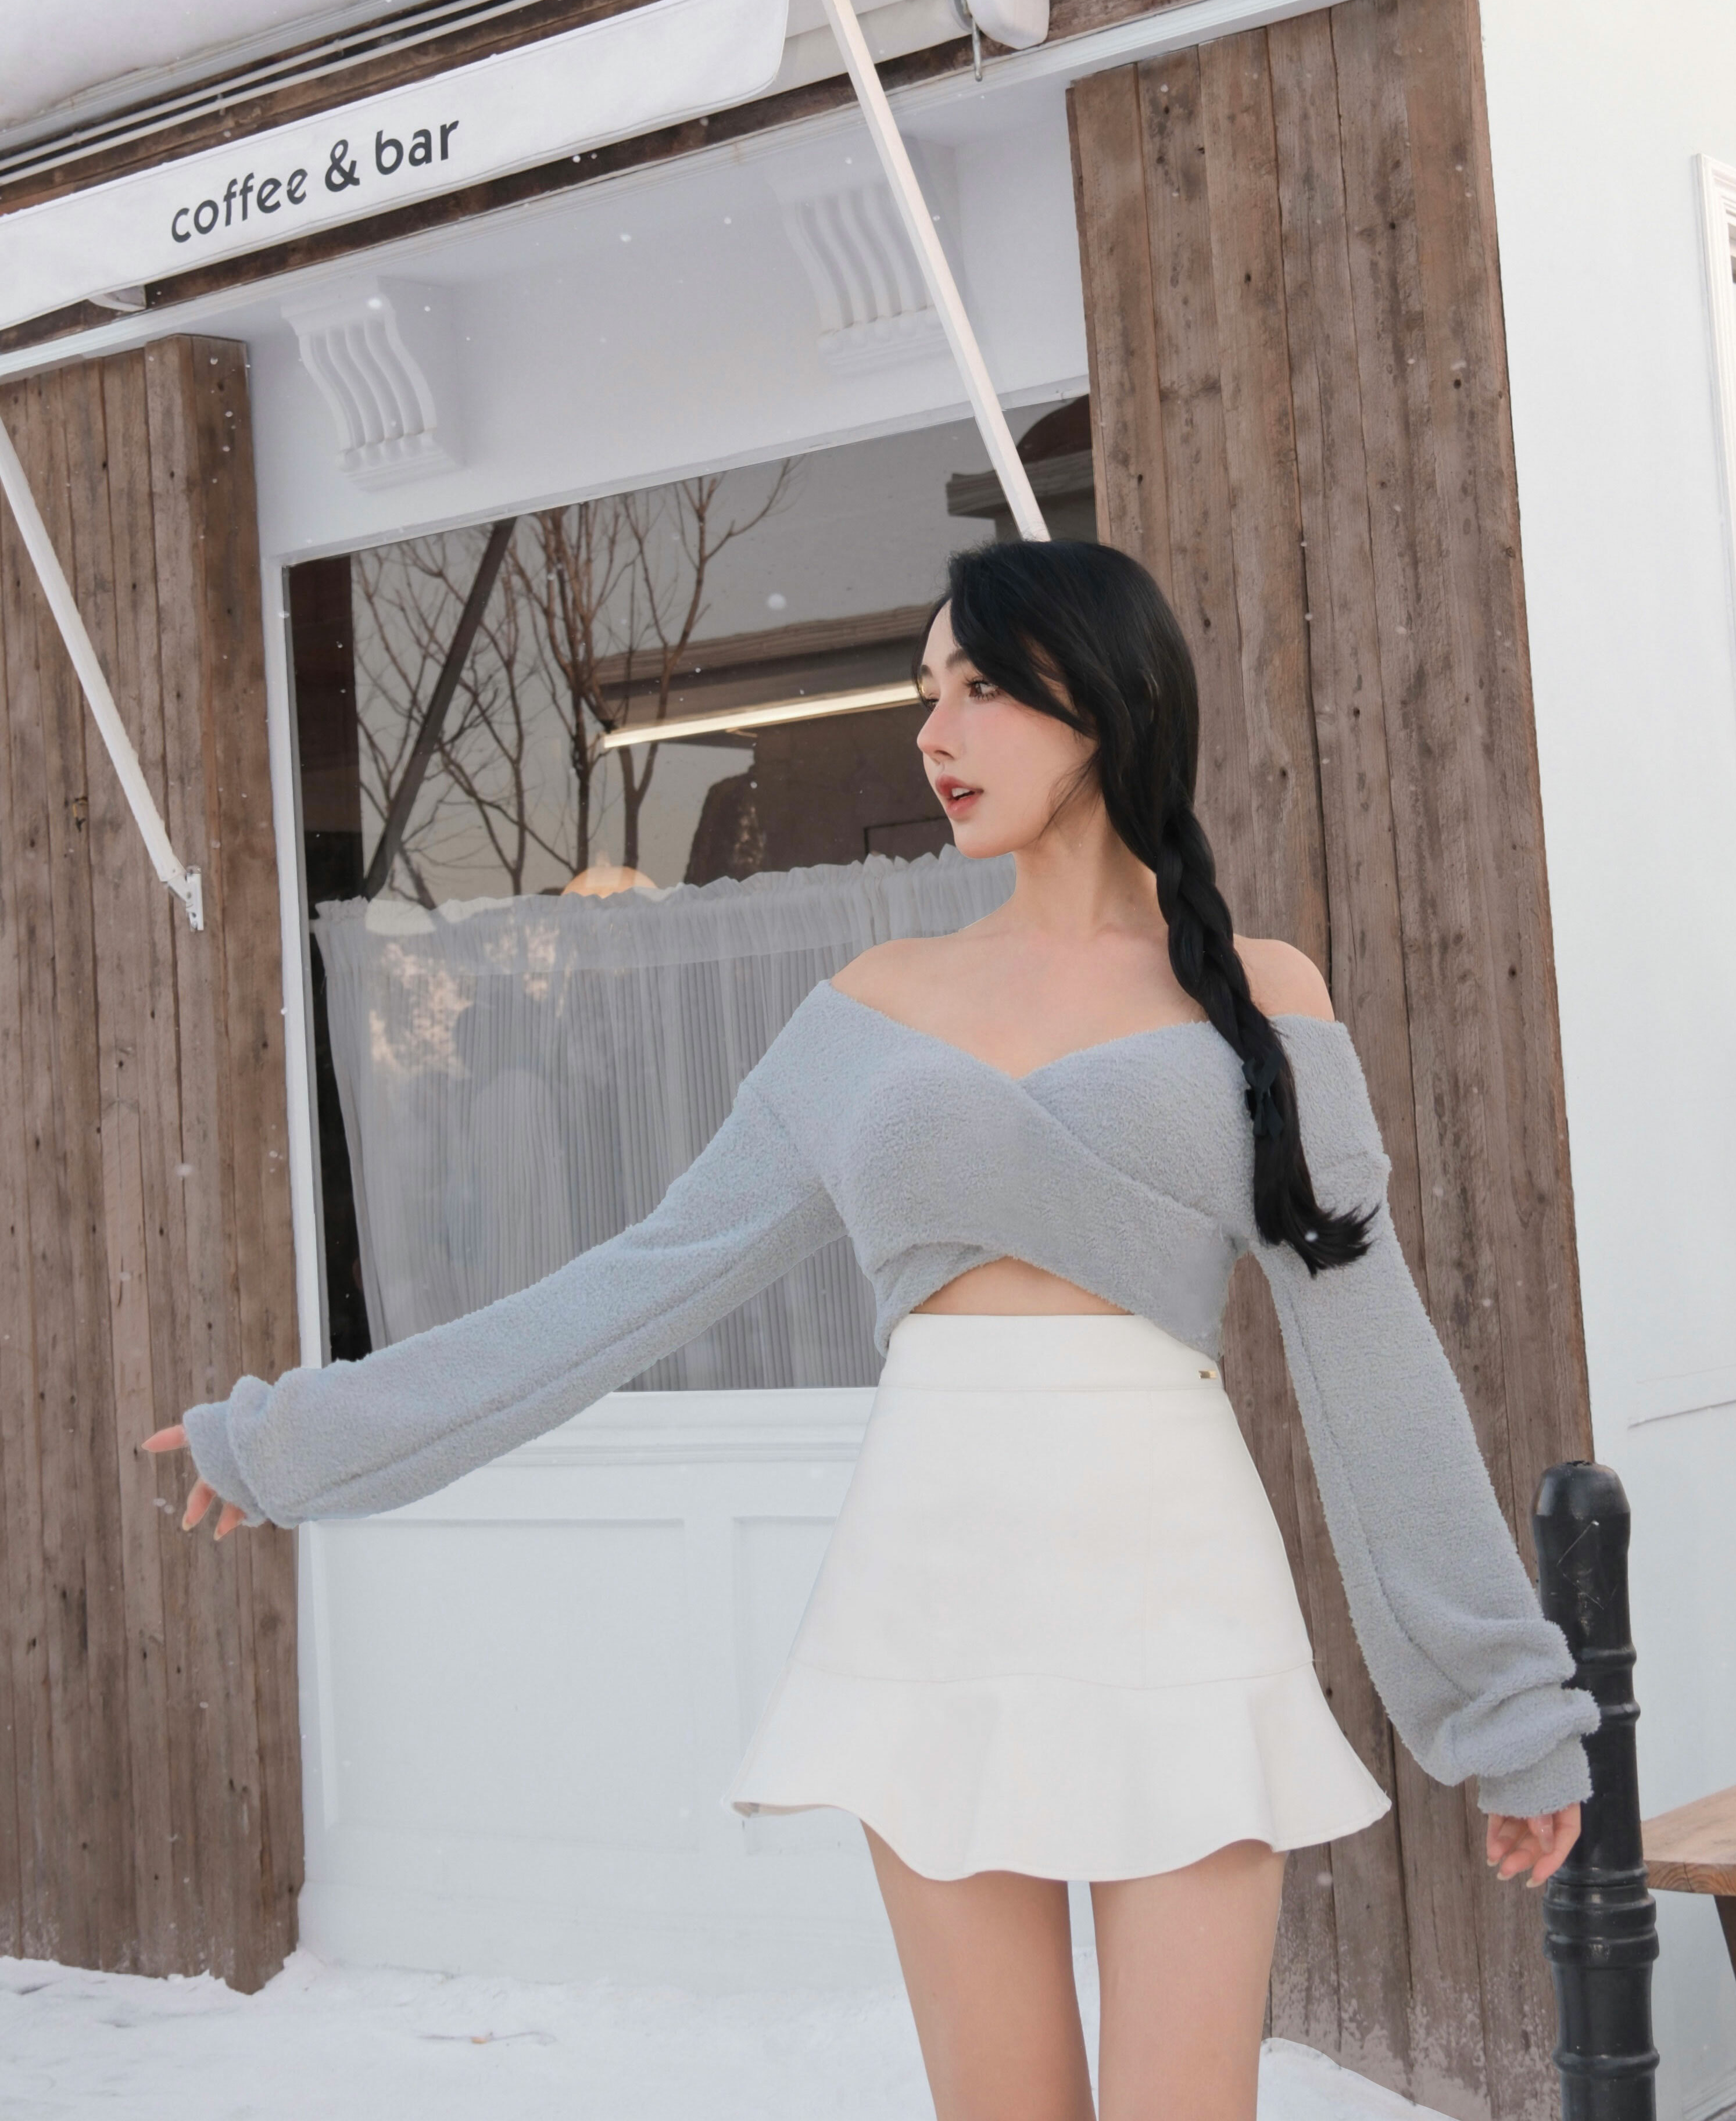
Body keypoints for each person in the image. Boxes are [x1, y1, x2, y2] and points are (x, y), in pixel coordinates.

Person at [149, 536, 1598, 2121]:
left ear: (1103, 698)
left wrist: (1502, 1705)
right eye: (925, 693)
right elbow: (628, 1289)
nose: (933, 733)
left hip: (1178, 1594)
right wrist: (297, 1438)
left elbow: (1374, 1372)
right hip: (935, 1597)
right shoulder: (873, 1006)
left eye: (977, 689)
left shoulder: (1260, 997)